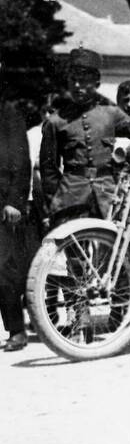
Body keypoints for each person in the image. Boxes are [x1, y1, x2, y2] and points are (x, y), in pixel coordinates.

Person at [39, 48, 130, 224]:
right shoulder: (56, 122)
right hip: (70, 198)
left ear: (97, 83)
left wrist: (126, 154)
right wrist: (54, 202)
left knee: (111, 247)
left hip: (107, 195)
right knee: (70, 248)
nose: (77, 87)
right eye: (73, 81)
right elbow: (48, 170)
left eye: (84, 81)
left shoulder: (111, 114)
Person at [1, 78, 38, 351]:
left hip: (3, 204)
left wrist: (15, 201)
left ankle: (17, 330)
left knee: (4, 268)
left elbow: (21, 161)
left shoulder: (9, 113)